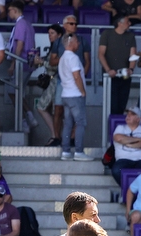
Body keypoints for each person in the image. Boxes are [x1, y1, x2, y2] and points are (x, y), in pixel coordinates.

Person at [58, 33, 91, 162]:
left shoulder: (62, 58)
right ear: (71, 43)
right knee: (80, 123)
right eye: (77, 41)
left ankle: (65, 151)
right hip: (75, 95)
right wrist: (82, 91)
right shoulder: (73, 58)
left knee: (67, 124)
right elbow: (76, 76)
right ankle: (79, 151)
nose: (78, 44)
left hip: (65, 94)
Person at [98, 16, 137, 116]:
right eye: (128, 22)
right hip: (110, 77)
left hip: (125, 76)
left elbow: (133, 56)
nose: (130, 24)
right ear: (120, 23)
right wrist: (108, 70)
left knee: (122, 105)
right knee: (112, 106)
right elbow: (101, 54)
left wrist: (131, 69)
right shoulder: (107, 34)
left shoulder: (131, 36)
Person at [110, 106, 141, 184]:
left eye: (132, 114)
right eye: (128, 114)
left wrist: (129, 143)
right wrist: (139, 140)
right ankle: (127, 190)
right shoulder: (120, 128)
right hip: (123, 159)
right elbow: (119, 138)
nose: (128, 116)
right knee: (116, 170)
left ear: (138, 119)